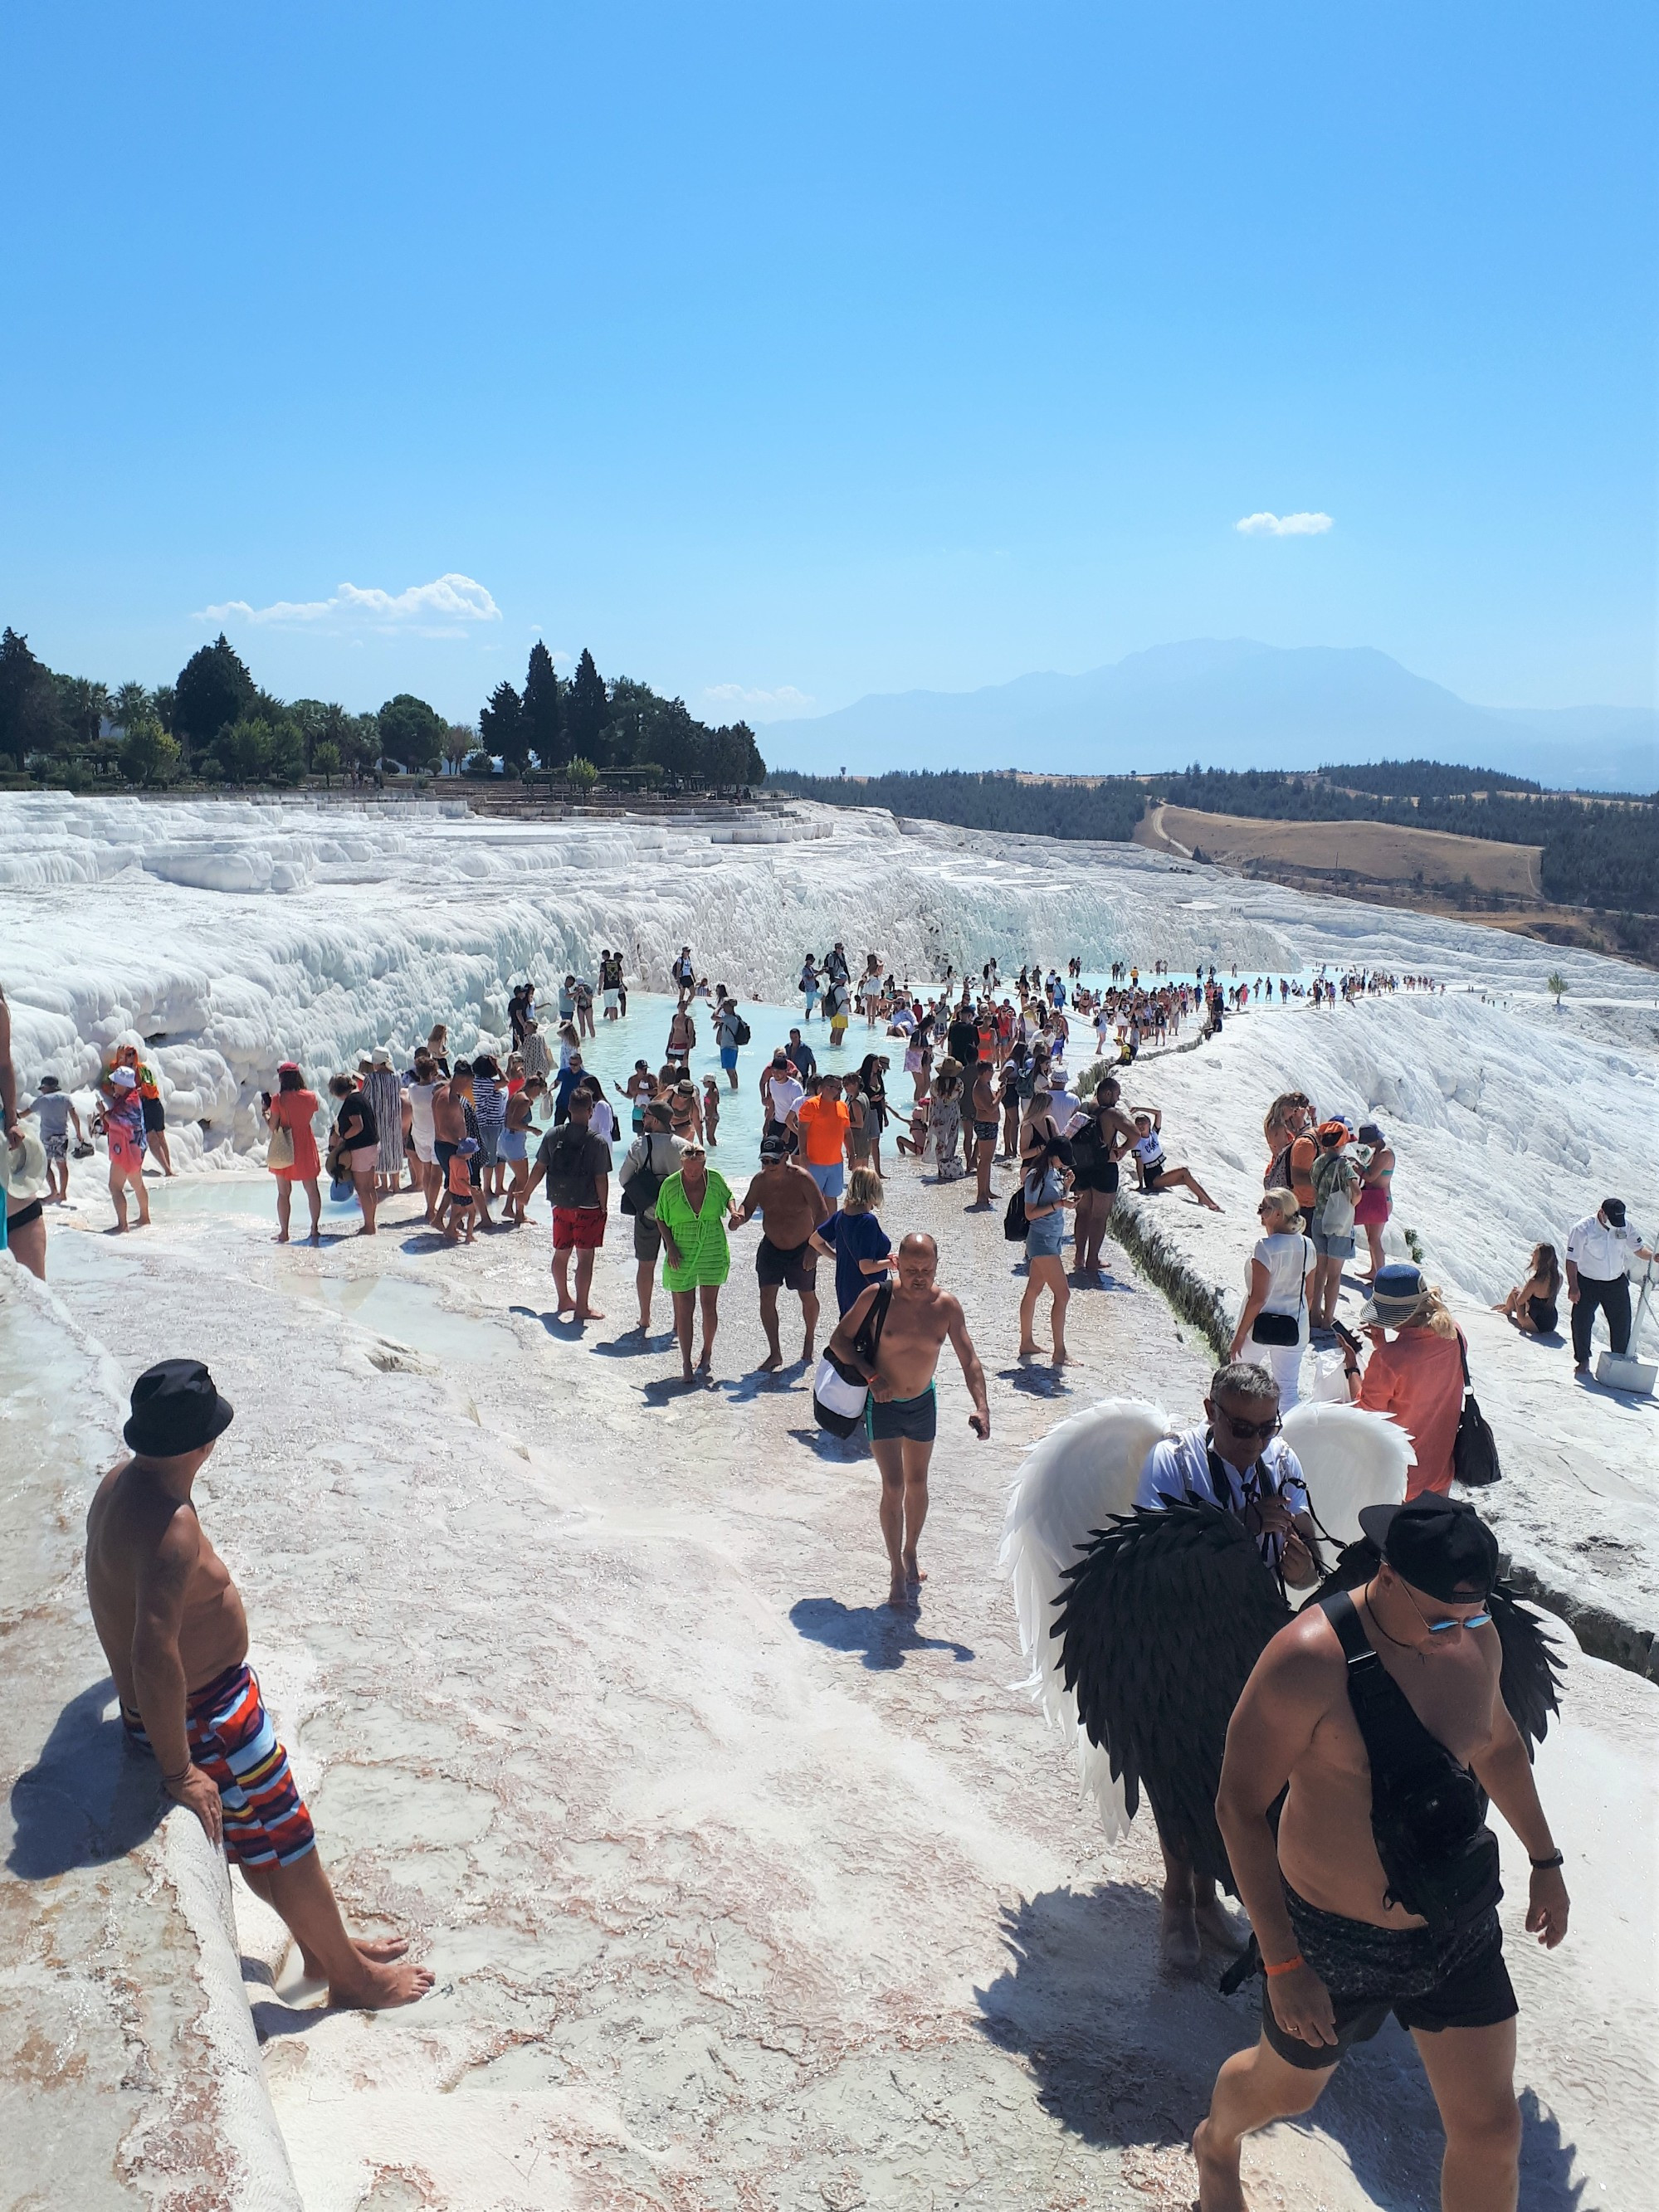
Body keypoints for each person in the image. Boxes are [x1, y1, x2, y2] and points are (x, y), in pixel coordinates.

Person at [1192, 1495, 1569, 2212]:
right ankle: (1215, 2143)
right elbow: (1236, 1807)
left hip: (1452, 1922)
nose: (1452, 1636)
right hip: (1332, 1943)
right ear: (1388, 1577)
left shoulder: (1474, 1636)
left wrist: (1545, 1863)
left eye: (1471, 1617)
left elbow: (1496, 1747)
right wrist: (1280, 1960)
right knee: (1286, 2090)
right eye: (1437, 1619)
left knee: (1491, 2129)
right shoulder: (1306, 1662)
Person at [85, 1360, 432, 2009]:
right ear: (203, 1445)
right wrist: (179, 1770)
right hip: (208, 1719)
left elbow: (109, 1597)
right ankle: (352, 1982)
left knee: (264, 1842)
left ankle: (328, 1949)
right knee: (287, 1840)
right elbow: (153, 1650)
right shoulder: (173, 1528)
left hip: (189, 1713)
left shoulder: (117, 1487)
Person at [1134, 1362, 1320, 1971]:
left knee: (1234, 1768)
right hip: (1177, 1635)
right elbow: (1152, 1552)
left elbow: (1306, 1571)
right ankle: (1175, 1898)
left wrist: (1295, 1557)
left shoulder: (1281, 1464)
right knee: (1176, 1763)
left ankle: (1208, 1895)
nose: (1255, 1443)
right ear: (1209, 1410)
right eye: (1241, 1428)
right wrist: (1239, 1533)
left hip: (1250, 1635)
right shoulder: (1174, 1462)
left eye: (1267, 1429)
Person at [824, 1234, 989, 1607]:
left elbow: (970, 1360)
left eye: (927, 1270)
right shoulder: (877, 1296)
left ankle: (911, 1550)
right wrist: (870, 1375)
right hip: (882, 1404)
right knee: (894, 1487)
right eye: (912, 1270)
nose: (919, 1277)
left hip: (922, 1404)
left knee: (918, 1483)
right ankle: (896, 1571)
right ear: (897, 1263)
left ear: (936, 1265)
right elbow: (839, 1341)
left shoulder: (946, 1306)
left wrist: (982, 1406)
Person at [1344, 1264, 1466, 1498]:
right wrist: (1386, 1346)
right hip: (1441, 1469)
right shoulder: (1455, 1334)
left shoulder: (1388, 1360)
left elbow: (1366, 1414)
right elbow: (1425, 1377)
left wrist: (1351, 1367)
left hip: (1401, 1479)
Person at [734, 1138, 832, 1369]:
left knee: (807, 1296)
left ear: (786, 1157)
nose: (769, 1165)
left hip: (802, 1248)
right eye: (765, 1161)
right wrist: (740, 1217)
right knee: (766, 1297)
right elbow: (748, 1206)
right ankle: (775, 1353)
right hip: (771, 1247)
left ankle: (809, 1340)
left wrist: (813, 1249)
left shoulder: (802, 1179)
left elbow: (822, 1214)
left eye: (774, 1160)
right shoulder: (759, 1181)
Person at [522, 1089, 612, 1319]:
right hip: (588, 1207)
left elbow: (540, 1167)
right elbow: (601, 1178)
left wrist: (526, 1194)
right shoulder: (598, 1142)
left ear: (569, 1109)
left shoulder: (553, 1135)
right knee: (585, 1257)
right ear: (591, 1112)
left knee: (561, 1253)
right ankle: (582, 1307)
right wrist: (603, 1206)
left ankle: (563, 1299)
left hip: (560, 1204)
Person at [655, 1138, 739, 1381]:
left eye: (697, 1169)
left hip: (712, 1246)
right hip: (681, 1247)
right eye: (688, 1169)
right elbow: (660, 1217)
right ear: (682, 1163)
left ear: (704, 1164)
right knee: (684, 1309)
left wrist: (734, 1212)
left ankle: (707, 1353)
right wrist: (670, 1247)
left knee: (709, 1305)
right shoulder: (670, 1186)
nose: (692, 1174)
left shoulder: (714, 1178)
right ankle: (685, 1363)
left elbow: (728, 1196)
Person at [1229, 1190, 1316, 1406]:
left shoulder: (1265, 1247)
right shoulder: (1308, 1245)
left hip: (1258, 1325)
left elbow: (1258, 1298)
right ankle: (1289, 1437)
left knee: (1236, 1382)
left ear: (1278, 1214)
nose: (1259, 1213)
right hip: (1295, 1326)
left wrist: (1240, 1334)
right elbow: (1310, 1294)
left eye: (1264, 1208)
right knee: (1288, 1391)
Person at [1564, 1197, 1653, 1375]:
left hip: (1615, 1282)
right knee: (1582, 1320)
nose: (1616, 1225)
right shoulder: (1583, 1229)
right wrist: (1573, 1286)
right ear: (1602, 1213)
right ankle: (1583, 1360)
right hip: (1588, 1281)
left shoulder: (1624, 1226)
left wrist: (1653, 1256)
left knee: (1622, 1322)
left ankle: (1618, 1362)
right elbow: (1571, 1260)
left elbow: (1638, 1249)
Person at [619, 1099, 686, 1333]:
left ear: (655, 1120)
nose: (643, 1118)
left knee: (646, 1266)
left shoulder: (640, 1145)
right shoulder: (684, 1147)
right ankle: (678, 1322)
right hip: (677, 1217)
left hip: (648, 1213)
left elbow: (624, 1178)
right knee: (677, 1268)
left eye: (646, 1115)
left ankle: (645, 1318)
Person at [1070, 1075, 1136, 1280]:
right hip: (1103, 1169)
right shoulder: (1112, 1114)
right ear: (1107, 1093)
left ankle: (1079, 1257)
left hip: (1081, 1167)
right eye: (1117, 1094)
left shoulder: (1082, 1109)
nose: (1117, 1098)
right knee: (1099, 1216)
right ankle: (1093, 1259)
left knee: (1082, 1213)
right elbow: (1135, 1135)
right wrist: (1122, 1149)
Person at [1018, 1134, 1075, 1365]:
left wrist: (1067, 1189)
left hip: (1052, 1239)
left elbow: (1054, 1202)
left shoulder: (1053, 1172)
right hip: (1041, 1240)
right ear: (1053, 1155)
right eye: (1063, 1159)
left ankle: (1026, 1343)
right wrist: (1060, 1203)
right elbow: (1030, 1213)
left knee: (1033, 1290)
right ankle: (1059, 1352)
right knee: (1063, 1294)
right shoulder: (1036, 1175)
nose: (1065, 1163)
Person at [810, 1167, 894, 1317]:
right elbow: (866, 1267)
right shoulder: (868, 1221)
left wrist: (838, 1257)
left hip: (845, 1286)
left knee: (848, 1331)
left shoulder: (841, 1217)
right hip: (865, 1291)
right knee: (868, 1333)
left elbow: (815, 1241)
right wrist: (892, 1263)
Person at [1306, 1120, 1360, 1328]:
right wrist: (1350, 1206)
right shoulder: (1344, 1165)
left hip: (1319, 1218)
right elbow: (1356, 1193)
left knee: (1320, 1271)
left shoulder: (1318, 1161)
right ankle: (1328, 1318)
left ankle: (1314, 1313)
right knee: (1335, 1273)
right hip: (1338, 1222)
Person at [261, 1065, 321, 1245]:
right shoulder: (311, 1097)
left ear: (282, 1079)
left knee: (283, 1192)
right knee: (312, 1190)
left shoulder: (279, 1100)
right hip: (305, 1143)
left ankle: (285, 1232)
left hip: (286, 1144)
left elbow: (273, 1126)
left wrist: (265, 1113)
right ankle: (314, 1228)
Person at [1130, 1109, 1222, 1211]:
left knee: (1186, 1179)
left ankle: (1209, 1201)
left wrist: (1139, 1108)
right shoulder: (1137, 1143)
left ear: (1149, 1124)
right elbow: (1139, 1164)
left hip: (1159, 1173)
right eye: (1138, 1123)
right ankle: (1207, 1202)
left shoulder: (1153, 1135)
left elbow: (1158, 1113)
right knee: (1183, 1171)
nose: (1141, 1125)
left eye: (1144, 1123)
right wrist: (1141, 1185)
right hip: (1152, 1179)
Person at [325, 1074, 380, 1235]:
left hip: (360, 1148)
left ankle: (369, 1226)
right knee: (369, 1187)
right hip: (371, 1146)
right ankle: (371, 1223)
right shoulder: (360, 1097)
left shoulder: (351, 1102)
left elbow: (358, 1126)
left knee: (363, 1189)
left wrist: (344, 1137)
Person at [100, 1065, 152, 1232]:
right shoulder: (133, 1097)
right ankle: (145, 1217)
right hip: (136, 1149)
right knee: (138, 1184)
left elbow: (116, 1121)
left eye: (115, 1083)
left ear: (122, 1084)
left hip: (125, 1150)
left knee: (115, 1186)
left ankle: (123, 1225)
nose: (113, 1086)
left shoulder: (127, 1102)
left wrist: (103, 1113)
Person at [24, 1075, 84, 1205]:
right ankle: (62, 1194)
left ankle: (53, 1192)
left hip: (47, 1138)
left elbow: (26, 1113)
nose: (42, 1091)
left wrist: (13, 1118)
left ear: (47, 1087)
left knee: (46, 1165)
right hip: (62, 1136)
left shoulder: (42, 1100)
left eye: (43, 1088)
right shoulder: (65, 1098)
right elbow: (74, 1116)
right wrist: (79, 1133)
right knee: (62, 1165)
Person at [796, 1072, 851, 1202]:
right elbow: (802, 1130)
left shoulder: (842, 1106)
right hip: (814, 1163)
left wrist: (852, 1154)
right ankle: (814, 1223)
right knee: (813, 1200)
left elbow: (847, 1132)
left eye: (841, 1089)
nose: (841, 1092)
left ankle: (831, 1223)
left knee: (832, 1198)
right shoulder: (811, 1105)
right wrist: (803, 1154)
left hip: (836, 1163)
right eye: (839, 1089)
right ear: (827, 1088)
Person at [1353, 1121, 1396, 1285]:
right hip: (1374, 1198)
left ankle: (1380, 1277)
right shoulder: (1379, 1152)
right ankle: (1374, 1271)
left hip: (1380, 1200)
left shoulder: (1385, 1154)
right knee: (1372, 1237)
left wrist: (1356, 1167)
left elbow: (1370, 1176)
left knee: (1374, 1239)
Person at [1495, 1244, 1561, 1337]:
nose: (1532, 1255)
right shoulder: (1558, 1278)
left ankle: (1507, 1310)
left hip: (1535, 1323)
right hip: (1551, 1322)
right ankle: (1507, 1308)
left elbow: (1520, 1301)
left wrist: (1520, 1291)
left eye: (1534, 1254)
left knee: (1515, 1292)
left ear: (1540, 1259)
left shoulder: (1535, 1282)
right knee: (1528, 1297)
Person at [364, 1048, 405, 1197]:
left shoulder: (371, 1079)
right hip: (394, 1119)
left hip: (377, 1120)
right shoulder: (396, 1078)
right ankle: (396, 1185)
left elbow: (365, 1098)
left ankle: (384, 1185)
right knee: (394, 1149)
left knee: (381, 1152)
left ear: (376, 1063)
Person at [714, 994, 744, 1089]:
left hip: (729, 1047)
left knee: (730, 1072)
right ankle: (734, 1088)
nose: (724, 1008)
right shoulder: (733, 1017)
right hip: (729, 1047)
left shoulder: (729, 1018)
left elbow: (713, 1017)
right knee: (732, 1071)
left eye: (725, 1006)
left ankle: (734, 1089)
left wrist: (718, 1008)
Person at [700, 1074, 722, 1147]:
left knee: (710, 1137)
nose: (703, 1084)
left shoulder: (713, 1092)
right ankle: (714, 1149)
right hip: (709, 1116)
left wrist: (710, 1119)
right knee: (710, 1136)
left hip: (712, 1116)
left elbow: (712, 1106)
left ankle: (714, 1152)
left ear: (710, 1082)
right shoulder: (710, 1091)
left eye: (705, 1082)